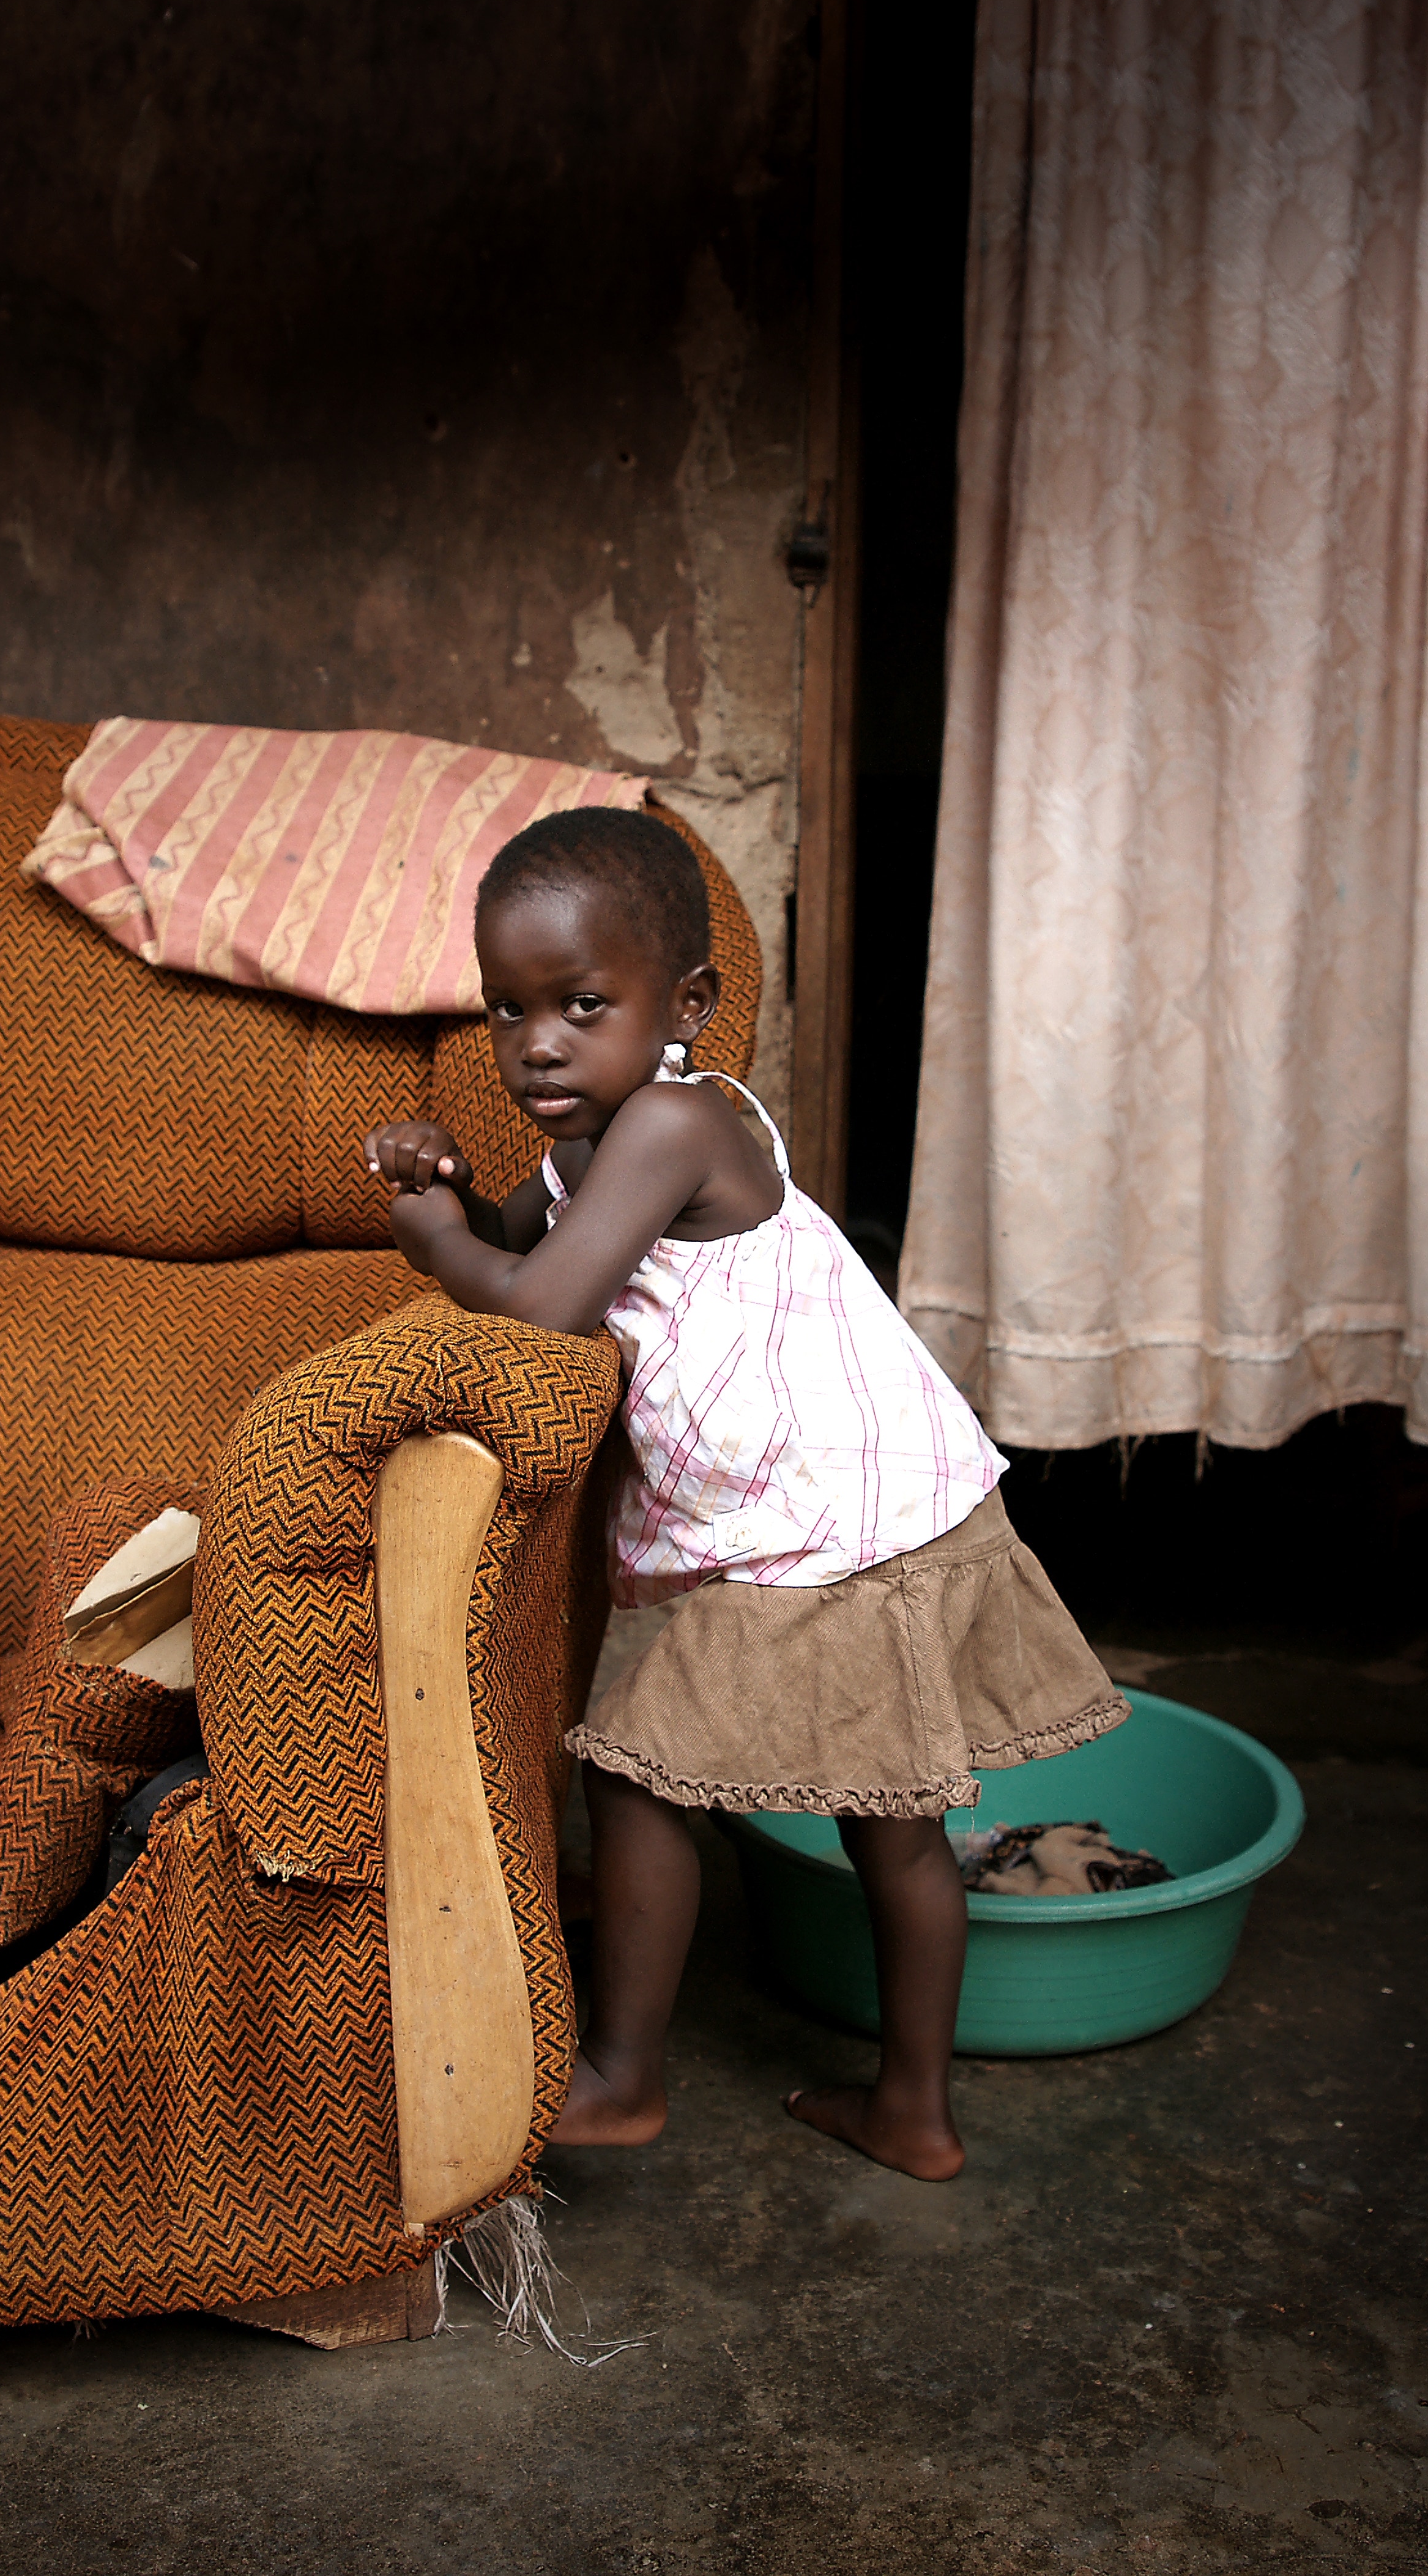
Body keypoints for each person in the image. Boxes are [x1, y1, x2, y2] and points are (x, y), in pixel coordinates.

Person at [363, 806, 1126, 2180]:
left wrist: (430, 1242)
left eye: (581, 1003)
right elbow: (514, 1248)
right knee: (895, 1827)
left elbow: (536, 1309)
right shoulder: (590, 1143)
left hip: (834, 1523)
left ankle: (624, 2073)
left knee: (649, 1782)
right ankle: (912, 2110)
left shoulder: (673, 1118)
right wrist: (451, 1190)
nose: (538, 1042)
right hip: (858, 1507)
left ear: (689, 1005)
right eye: (508, 1010)